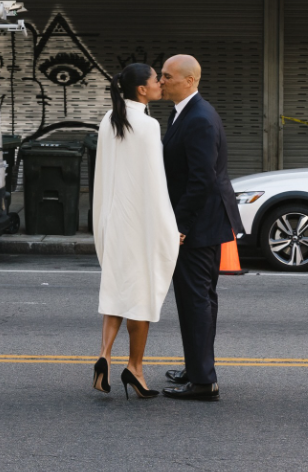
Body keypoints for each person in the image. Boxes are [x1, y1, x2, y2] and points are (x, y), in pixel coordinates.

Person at [91, 63, 179, 399]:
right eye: (157, 80)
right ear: (142, 90)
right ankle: (135, 368)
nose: (161, 84)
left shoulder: (109, 120)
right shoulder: (147, 125)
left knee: (117, 289)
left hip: (113, 222)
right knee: (140, 296)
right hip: (138, 223)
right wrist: (169, 227)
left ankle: (104, 354)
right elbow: (154, 184)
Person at [159, 55, 243, 401]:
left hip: (200, 226)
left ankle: (204, 381)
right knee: (199, 300)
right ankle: (197, 368)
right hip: (202, 222)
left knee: (196, 300)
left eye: (167, 76)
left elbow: (201, 179)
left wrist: (181, 226)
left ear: (189, 80)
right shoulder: (182, 113)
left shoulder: (200, 119)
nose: (160, 81)